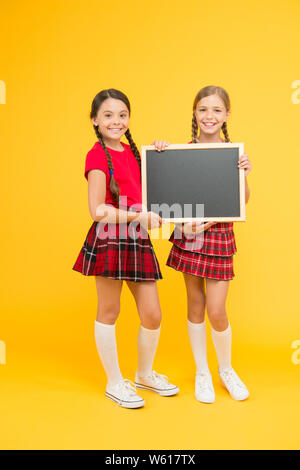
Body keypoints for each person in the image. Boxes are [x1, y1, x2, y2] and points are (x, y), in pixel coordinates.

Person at [73, 89, 179, 409]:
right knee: (110, 311)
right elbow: (97, 210)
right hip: (109, 236)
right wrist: (139, 216)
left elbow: (156, 187)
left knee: (152, 314)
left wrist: (162, 152)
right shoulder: (96, 155)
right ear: (95, 120)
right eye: (108, 115)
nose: (116, 121)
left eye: (122, 115)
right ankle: (114, 382)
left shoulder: (134, 153)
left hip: (136, 237)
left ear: (128, 118)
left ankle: (144, 374)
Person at [155, 85, 252, 403]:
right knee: (195, 305)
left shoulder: (233, 153)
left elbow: (242, 200)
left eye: (216, 110)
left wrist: (244, 174)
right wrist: (162, 156)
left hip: (220, 236)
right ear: (195, 113)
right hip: (189, 235)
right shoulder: (181, 152)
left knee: (216, 309)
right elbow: (167, 199)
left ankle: (226, 370)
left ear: (227, 115)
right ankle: (202, 372)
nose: (209, 116)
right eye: (203, 109)